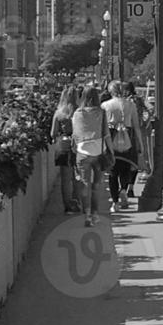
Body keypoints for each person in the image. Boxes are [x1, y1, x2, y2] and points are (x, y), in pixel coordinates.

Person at [102, 81, 148, 211]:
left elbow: (103, 127)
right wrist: (140, 144)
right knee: (126, 168)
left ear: (111, 91)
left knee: (112, 172)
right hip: (128, 136)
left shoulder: (105, 105)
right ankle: (123, 189)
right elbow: (136, 126)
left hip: (111, 136)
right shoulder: (131, 105)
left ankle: (115, 203)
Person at [71, 85, 111, 227]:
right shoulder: (101, 112)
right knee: (96, 185)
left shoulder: (77, 113)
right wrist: (110, 151)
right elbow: (106, 134)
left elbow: (75, 134)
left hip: (82, 151)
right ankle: (95, 213)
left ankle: (87, 215)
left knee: (84, 183)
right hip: (98, 151)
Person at [49, 85, 81, 213]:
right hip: (78, 145)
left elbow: (53, 133)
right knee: (78, 176)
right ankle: (77, 201)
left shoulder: (59, 113)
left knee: (65, 178)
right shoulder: (80, 112)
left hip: (63, 144)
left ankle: (68, 206)